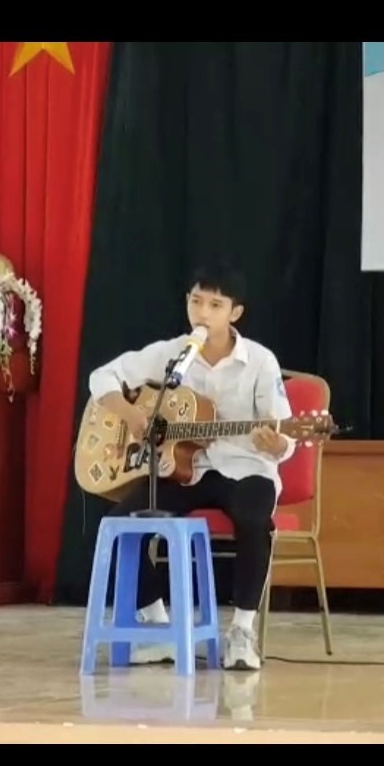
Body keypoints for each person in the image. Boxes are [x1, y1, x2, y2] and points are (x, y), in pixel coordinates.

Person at [87, 263, 295, 671]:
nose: (203, 313)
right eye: (196, 301)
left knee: (254, 518)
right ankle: (159, 625)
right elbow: (101, 377)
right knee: (120, 524)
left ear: (235, 313)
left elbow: (283, 436)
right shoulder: (172, 355)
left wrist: (279, 443)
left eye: (215, 305)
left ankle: (241, 632)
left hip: (245, 468)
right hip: (183, 470)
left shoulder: (260, 361)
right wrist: (131, 415)